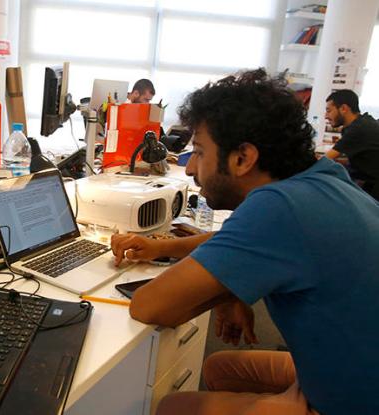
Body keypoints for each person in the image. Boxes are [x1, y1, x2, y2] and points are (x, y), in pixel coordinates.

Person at [111, 69, 379, 415]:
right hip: (352, 370)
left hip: (353, 403)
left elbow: (150, 305)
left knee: (175, 407)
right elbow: (248, 242)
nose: (190, 168)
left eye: (200, 152)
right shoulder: (324, 179)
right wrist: (165, 248)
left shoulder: (278, 208)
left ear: (242, 158)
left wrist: (227, 289)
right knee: (220, 369)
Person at [324, 89, 379, 200]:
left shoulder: (359, 129)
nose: (325, 116)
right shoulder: (361, 122)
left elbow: (325, 159)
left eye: (329, 111)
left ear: (344, 108)